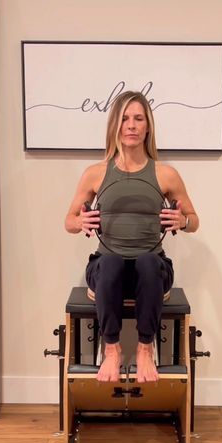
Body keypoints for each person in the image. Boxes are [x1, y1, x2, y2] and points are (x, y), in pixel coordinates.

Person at [65, 90, 199, 383]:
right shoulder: (95, 173)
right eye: (125, 118)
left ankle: (144, 348)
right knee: (111, 261)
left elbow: (194, 221)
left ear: (148, 126)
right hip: (106, 269)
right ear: (115, 125)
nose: (132, 125)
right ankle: (111, 349)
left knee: (149, 261)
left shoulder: (166, 174)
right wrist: (81, 220)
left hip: (151, 271)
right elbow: (69, 221)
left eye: (139, 118)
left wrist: (182, 220)